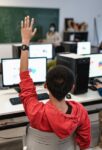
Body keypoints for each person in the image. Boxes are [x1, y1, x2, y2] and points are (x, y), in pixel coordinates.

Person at [19, 16, 91, 150]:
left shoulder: (36, 112)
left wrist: (25, 41)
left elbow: (24, 77)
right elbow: (84, 144)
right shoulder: (80, 112)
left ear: (45, 86)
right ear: (72, 88)